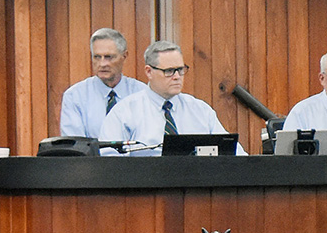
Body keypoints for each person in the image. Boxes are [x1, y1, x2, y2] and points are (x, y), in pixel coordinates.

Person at [98, 40, 245, 156]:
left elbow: (235, 153)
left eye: (180, 70)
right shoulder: (124, 112)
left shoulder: (200, 111)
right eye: (169, 71)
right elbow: (108, 159)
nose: (177, 77)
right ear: (149, 72)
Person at [58, 28, 146, 137]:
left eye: (109, 57)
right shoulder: (75, 96)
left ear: (124, 56)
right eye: (97, 57)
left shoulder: (142, 93)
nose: (102, 64)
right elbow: (75, 144)